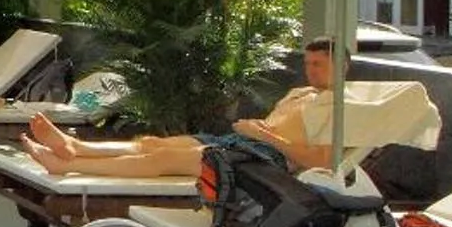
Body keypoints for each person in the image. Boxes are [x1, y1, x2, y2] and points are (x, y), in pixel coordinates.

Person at [21, 40, 341, 179]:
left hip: (267, 162)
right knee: (152, 144)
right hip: (244, 145)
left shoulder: (340, 105)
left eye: (319, 64)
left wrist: (266, 137)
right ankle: (76, 146)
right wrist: (255, 130)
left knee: (163, 158)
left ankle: (68, 166)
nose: (310, 70)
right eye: (308, 63)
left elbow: (322, 161)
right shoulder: (300, 93)